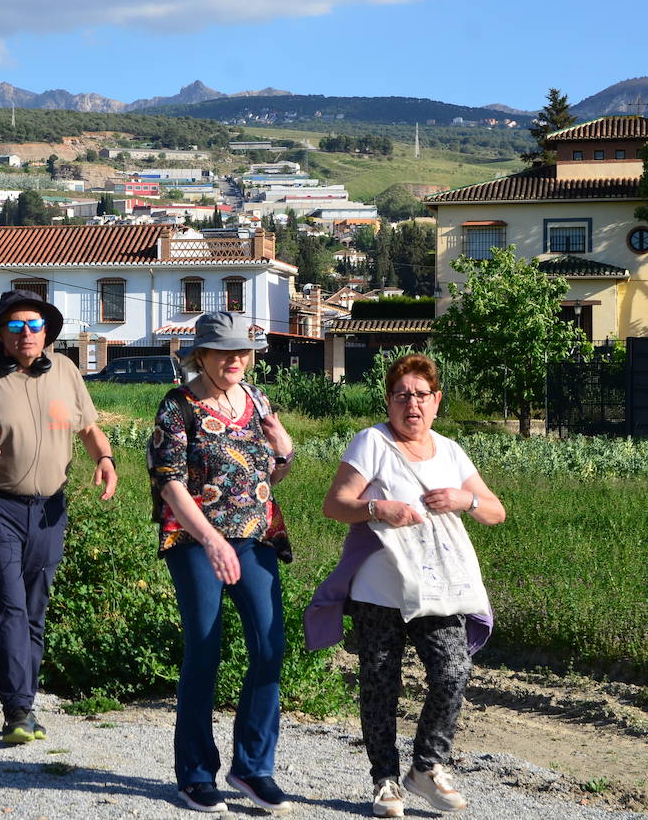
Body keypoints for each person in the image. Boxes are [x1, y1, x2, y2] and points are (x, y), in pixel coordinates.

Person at [314, 353, 505, 818]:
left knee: (453, 671)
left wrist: (467, 498)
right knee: (380, 684)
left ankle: (426, 766)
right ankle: (385, 782)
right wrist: (380, 509)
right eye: (402, 396)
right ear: (389, 400)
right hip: (378, 592)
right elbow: (336, 504)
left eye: (421, 395)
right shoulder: (372, 443)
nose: (412, 404)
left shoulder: (452, 451)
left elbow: (495, 512)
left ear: (437, 401)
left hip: (438, 590)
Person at [0, 289, 118, 745]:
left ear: (46, 333)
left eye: (34, 326)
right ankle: (16, 710)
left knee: (34, 609)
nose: (25, 334)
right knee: (11, 603)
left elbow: (89, 427)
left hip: (50, 507)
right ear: (0, 333)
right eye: (15, 326)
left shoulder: (65, 371)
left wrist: (105, 459)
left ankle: (26, 703)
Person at [146, 310, 296, 813]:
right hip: (196, 542)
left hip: (255, 540)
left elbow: (262, 480)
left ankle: (253, 768)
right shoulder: (177, 406)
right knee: (204, 652)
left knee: (269, 647)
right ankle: (195, 774)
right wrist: (210, 539)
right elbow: (170, 482)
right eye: (225, 352)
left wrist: (287, 452)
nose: (236, 360)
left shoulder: (256, 401)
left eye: (243, 352)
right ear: (202, 355)